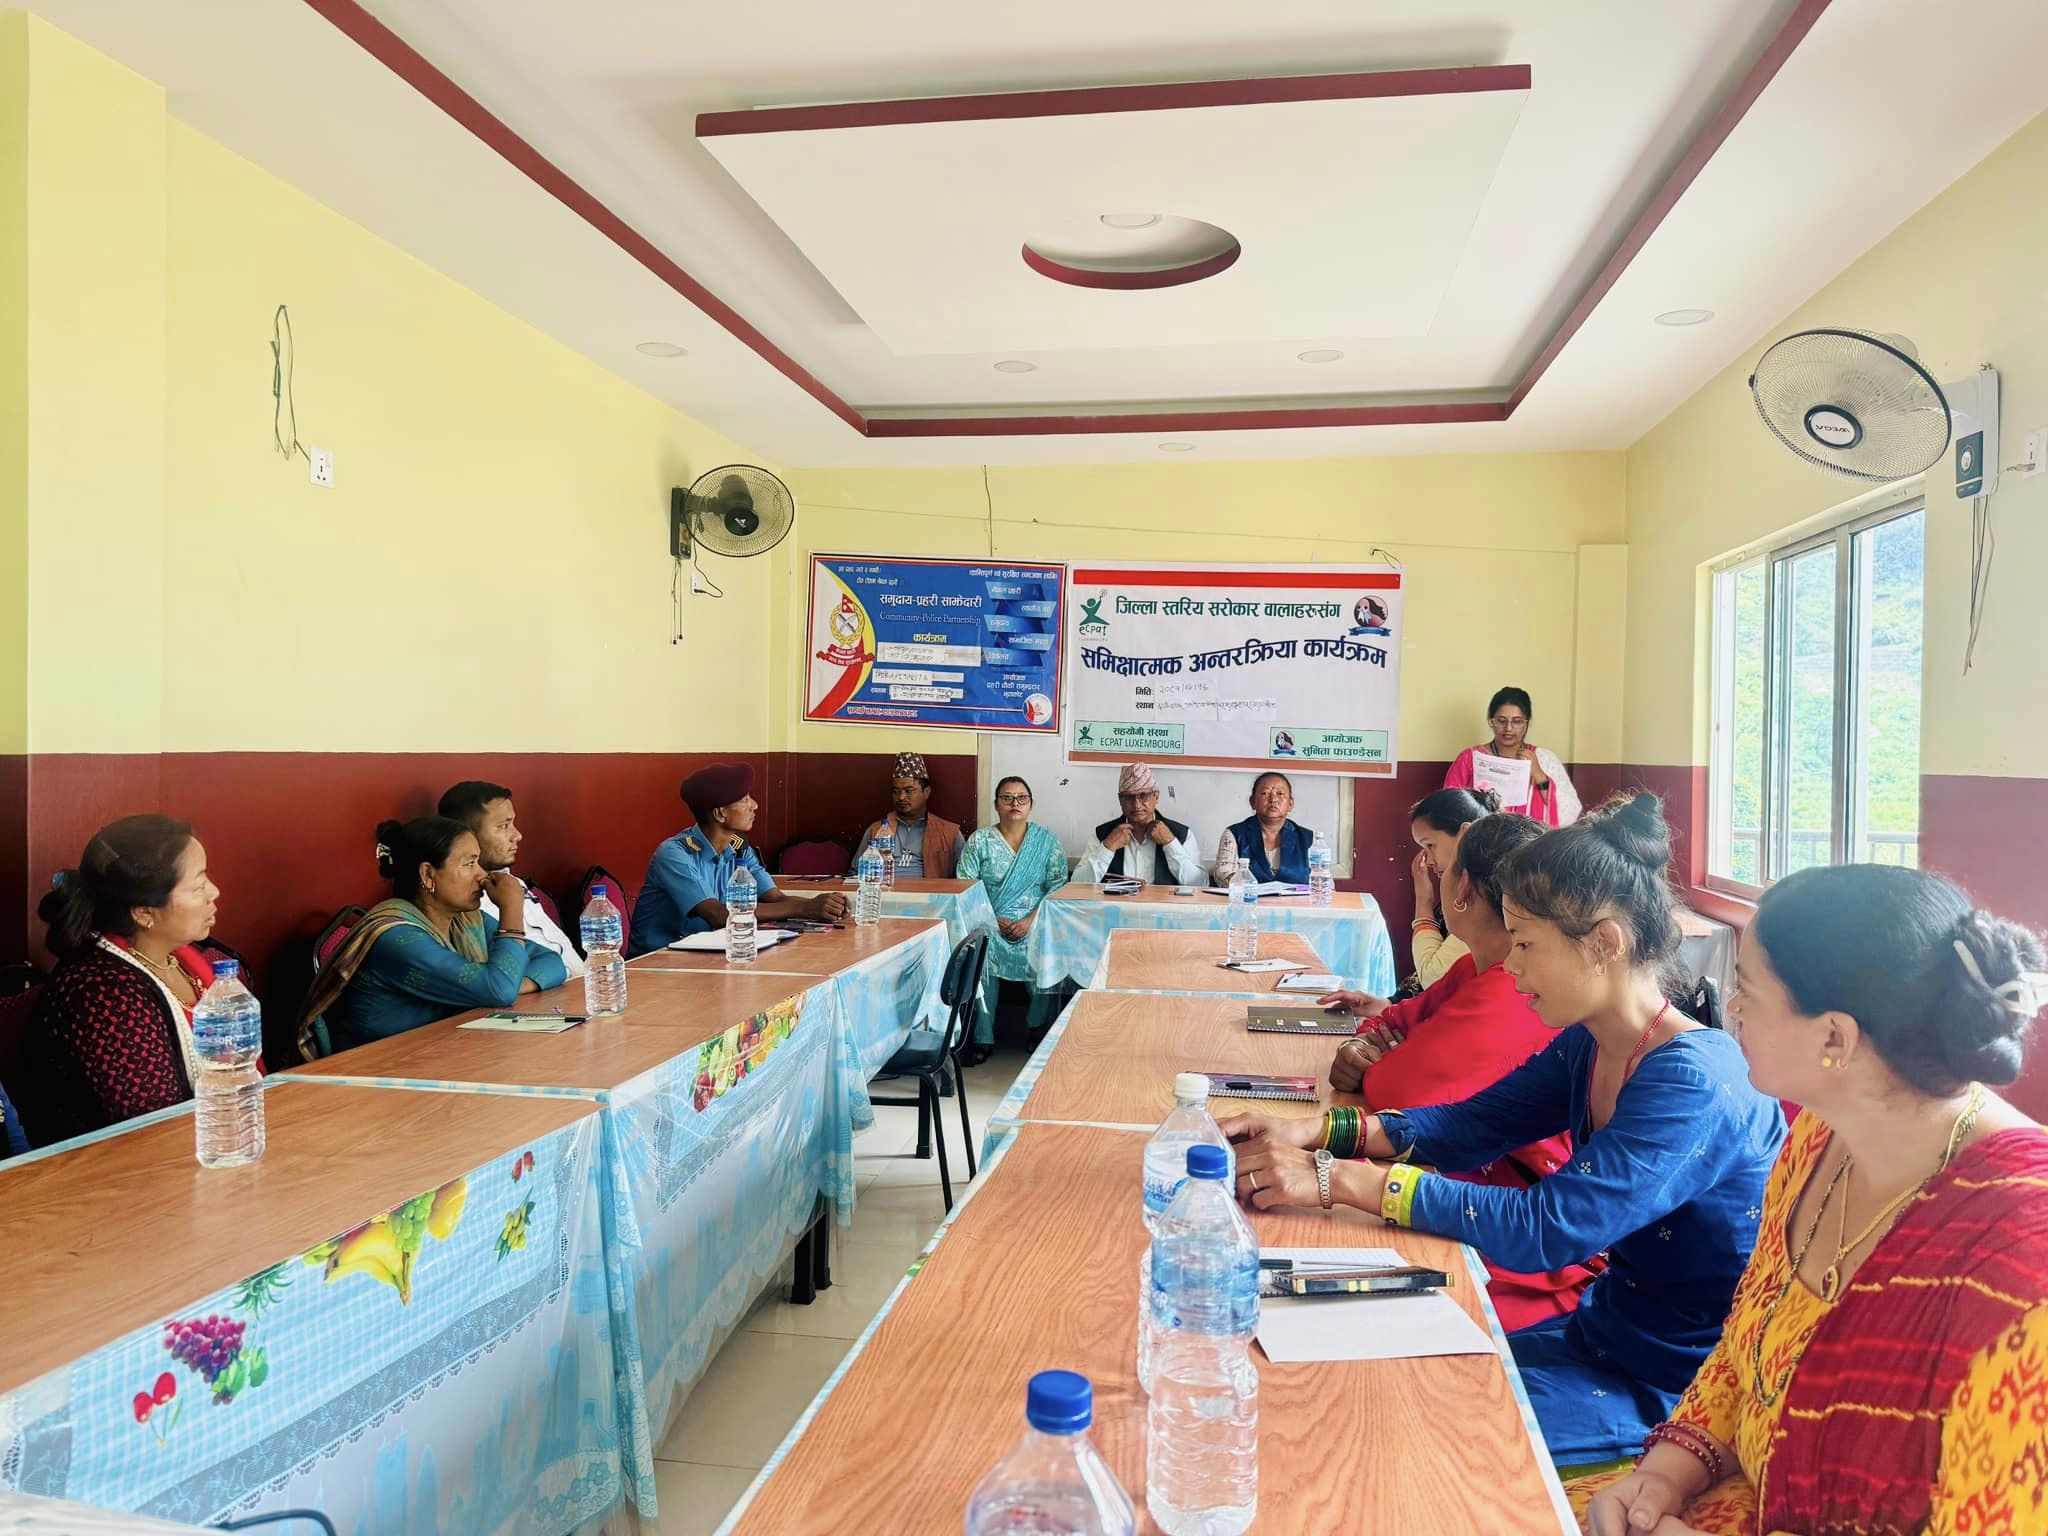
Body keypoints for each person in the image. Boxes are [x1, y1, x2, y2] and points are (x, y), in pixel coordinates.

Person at [1220, 793, 1783, 1464]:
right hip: (1599, 1337)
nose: (1510, 965)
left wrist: (1336, 1181)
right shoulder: (1592, 1042)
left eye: (1526, 944)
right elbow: (1471, 1125)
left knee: (1395, 1433)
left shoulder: (1692, 1083)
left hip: (1680, 1385)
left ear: (1604, 943)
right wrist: (1317, 1134)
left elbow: (1548, 1227)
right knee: (1356, 1383)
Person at [1580, 865, 2047, 1536]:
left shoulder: (2023, 1268)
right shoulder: (1818, 1139)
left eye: (1749, 990)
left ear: (1834, 1038)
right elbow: (1748, 1355)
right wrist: (1665, 1474)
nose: (1731, 1007)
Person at [1319, 812, 1597, 1330]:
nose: (1517, 963)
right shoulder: (1478, 966)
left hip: (1516, 1239)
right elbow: (1396, 1022)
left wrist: (1337, 1172)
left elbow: (1401, 1092)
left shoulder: (1515, 990)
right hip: (1467, 1184)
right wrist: (1370, 1045)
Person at [17, 816, 229, 1146]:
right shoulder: (102, 995)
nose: (214, 892)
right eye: (199, 885)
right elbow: (154, 1129)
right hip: (115, 1166)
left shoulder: (191, 962)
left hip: (206, 1144)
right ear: (143, 912)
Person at [297, 817, 568, 1056]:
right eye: (469, 864)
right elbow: (498, 989)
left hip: (443, 1054)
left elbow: (552, 961)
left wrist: (507, 984)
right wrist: (511, 909)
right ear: (428, 874)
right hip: (373, 1073)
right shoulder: (395, 938)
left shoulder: (466, 920)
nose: (482, 875)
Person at [628, 762, 847, 955]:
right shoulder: (675, 854)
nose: (754, 805)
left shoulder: (739, 847)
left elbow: (775, 898)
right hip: (657, 961)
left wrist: (823, 905)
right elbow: (718, 915)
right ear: (720, 813)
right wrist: (805, 908)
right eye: (744, 800)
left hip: (708, 954)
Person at [956, 776, 1070, 1059]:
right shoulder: (980, 840)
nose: (1014, 803)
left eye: (1021, 798)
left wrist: (1031, 920)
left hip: (1035, 923)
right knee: (982, 951)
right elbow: (965, 885)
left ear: (1031, 804)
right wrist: (991, 919)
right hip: (988, 921)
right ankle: (982, 1037)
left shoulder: (1046, 842)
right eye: (1007, 798)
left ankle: (1037, 1028)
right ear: (996, 804)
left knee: (1045, 954)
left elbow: (1058, 886)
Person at [438, 780, 585, 980]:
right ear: (465, 835)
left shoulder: (512, 882)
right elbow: (497, 981)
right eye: (503, 826)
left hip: (579, 987)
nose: (517, 835)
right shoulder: (462, 902)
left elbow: (558, 955)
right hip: (541, 995)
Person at [1445, 686, 1581, 827]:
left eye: (1517, 721)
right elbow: (1448, 807)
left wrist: (1539, 775)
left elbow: (1570, 811)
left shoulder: (1545, 759)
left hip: (1532, 839)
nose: (1508, 728)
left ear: (1527, 723)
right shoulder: (1469, 759)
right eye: (1501, 721)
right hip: (1482, 838)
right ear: (1491, 721)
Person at [1406, 787, 1501, 988]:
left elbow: (1433, 978)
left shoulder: (1483, 896)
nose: (1428, 861)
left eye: (1430, 845)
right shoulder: (1470, 886)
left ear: (1464, 835)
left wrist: (1423, 902)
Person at [1079, 763, 1204, 886]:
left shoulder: (1182, 834)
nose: (1136, 805)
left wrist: (1170, 843)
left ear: (1156, 796)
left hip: (1162, 901)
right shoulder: (1103, 834)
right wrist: (1107, 848)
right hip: (1116, 901)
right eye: (1129, 797)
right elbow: (1077, 883)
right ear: (1120, 800)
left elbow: (1200, 884)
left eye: (1143, 796)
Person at [858, 751, 964, 879]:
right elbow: (855, 873)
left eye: (909, 791)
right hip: (885, 890)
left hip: (930, 891)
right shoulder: (876, 830)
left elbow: (962, 879)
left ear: (926, 792)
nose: (901, 797)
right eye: (896, 791)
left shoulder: (950, 833)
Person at [1213, 772, 1317, 884]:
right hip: (1248, 895)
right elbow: (1223, 875)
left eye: (1280, 793)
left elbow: (1320, 881)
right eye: (1265, 793)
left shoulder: (1309, 839)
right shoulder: (1235, 834)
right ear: (1252, 802)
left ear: (1290, 804)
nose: (1273, 799)